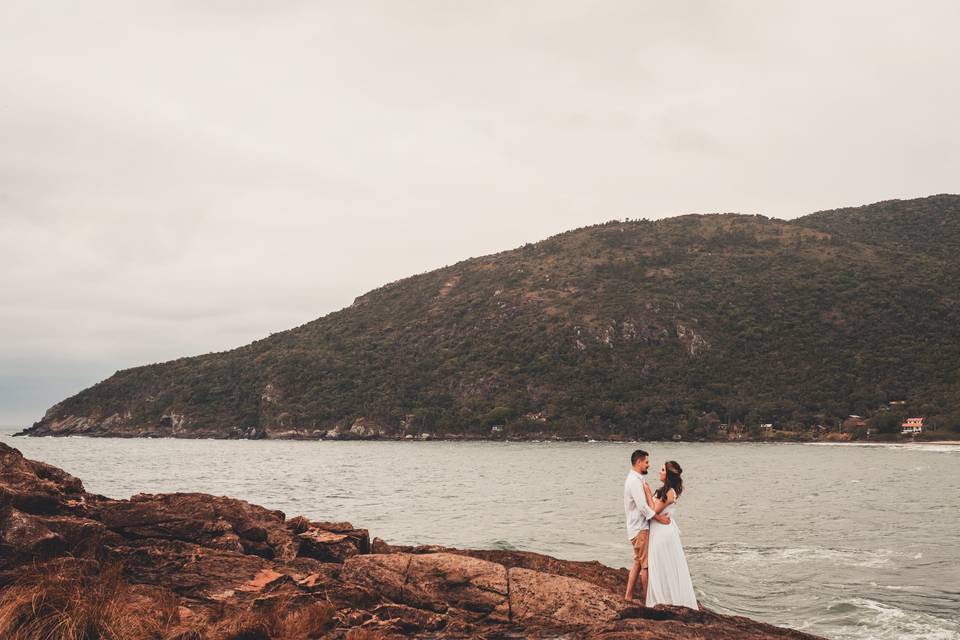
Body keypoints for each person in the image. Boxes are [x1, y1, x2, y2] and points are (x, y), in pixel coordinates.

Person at [645, 460, 699, 609]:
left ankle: (662, 600)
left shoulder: (669, 492)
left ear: (668, 475)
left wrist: (647, 492)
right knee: (661, 565)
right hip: (660, 530)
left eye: (662, 470)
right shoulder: (667, 490)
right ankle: (664, 598)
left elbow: (653, 510)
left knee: (660, 564)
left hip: (661, 533)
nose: (659, 471)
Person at [623, 449, 671, 602]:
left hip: (636, 528)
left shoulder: (636, 479)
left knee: (637, 562)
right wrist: (659, 519)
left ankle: (628, 596)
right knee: (646, 566)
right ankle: (648, 601)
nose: (649, 465)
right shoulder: (634, 481)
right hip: (640, 529)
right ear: (639, 462)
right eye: (647, 462)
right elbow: (643, 508)